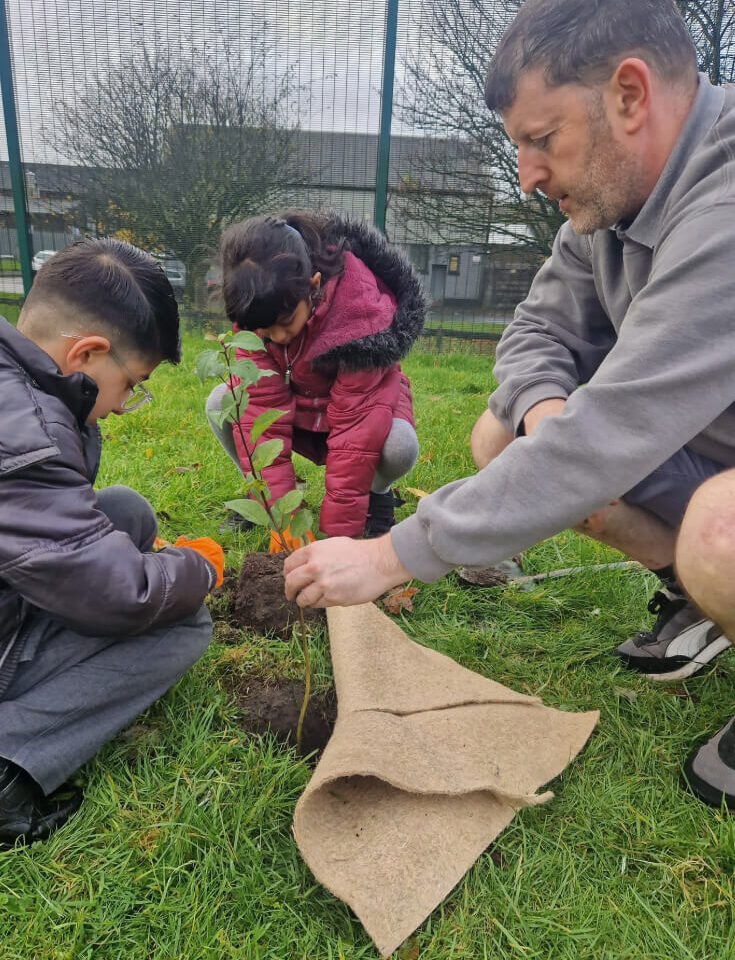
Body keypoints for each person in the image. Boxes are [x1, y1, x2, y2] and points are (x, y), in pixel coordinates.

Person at [284, 0, 735, 810]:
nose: (526, 175)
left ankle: (710, 572)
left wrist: (389, 558)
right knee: (504, 434)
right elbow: (533, 333)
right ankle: (697, 600)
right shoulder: (612, 204)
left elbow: (617, 427)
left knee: (721, 530)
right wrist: (543, 417)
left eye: (539, 138)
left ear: (629, 93)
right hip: (701, 437)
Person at [0, 238, 224, 849]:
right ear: (87, 353)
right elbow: (119, 598)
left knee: (124, 508)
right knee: (183, 626)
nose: (126, 406)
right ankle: (10, 765)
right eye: (132, 383)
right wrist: (196, 569)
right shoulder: (30, 439)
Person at [205, 210, 424, 543]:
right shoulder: (257, 312)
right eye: (264, 330)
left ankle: (377, 496)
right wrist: (282, 519)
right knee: (223, 401)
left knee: (399, 445)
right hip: (301, 408)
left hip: (363, 412)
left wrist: (338, 540)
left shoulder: (360, 315)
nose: (277, 337)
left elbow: (356, 433)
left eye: (286, 322)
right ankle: (260, 498)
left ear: (314, 286)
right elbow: (260, 411)